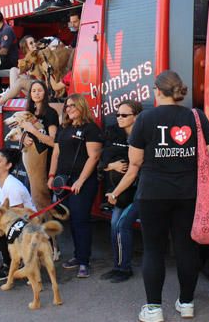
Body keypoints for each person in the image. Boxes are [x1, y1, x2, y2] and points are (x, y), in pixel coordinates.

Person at [111, 71, 209, 322]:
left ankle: (154, 309)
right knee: (186, 248)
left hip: (152, 194)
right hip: (188, 194)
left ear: (158, 91)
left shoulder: (146, 118)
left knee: (153, 250)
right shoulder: (197, 116)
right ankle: (187, 303)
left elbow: (135, 161)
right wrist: (208, 186)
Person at [46, 93, 103, 279]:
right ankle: (78, 257)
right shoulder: (64, 129)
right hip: (64, 181)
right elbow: (56, 154)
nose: (69, 109)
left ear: (81, 106)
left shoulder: (91, 129)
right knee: (71, 219)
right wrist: (52, 176)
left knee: (81, 220)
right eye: (67, 106)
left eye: (72, 105)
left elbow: (94, 157)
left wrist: (81, 180)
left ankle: (84, 261)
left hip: (82, 183)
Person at [100, 99, 143, 284]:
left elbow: (134, 171)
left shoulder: (142, 138)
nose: (119, 118)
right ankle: (118, 266)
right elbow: (102, 162)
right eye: (117, 114)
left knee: (122, 225)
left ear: (136, 117)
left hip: (138, 193)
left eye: (124, 115)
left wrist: (115, 193)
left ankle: (124, 269)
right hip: (120, 193)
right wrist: (112, 166)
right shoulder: (113, 135)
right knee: (114, 225)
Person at [0, 148, 36, 281]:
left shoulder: (13, 186)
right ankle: (13, 260)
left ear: (8, 165)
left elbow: (18, 218)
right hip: (13, 224)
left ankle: (10, 264)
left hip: (29, 226)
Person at [18, 80, 59, 210]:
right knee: (30, 198)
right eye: (33, 91)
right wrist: (23, 137)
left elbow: (53, 142)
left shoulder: (50, 113)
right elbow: (19, 133)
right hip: (29, 161)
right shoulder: (28, 111)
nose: (36, 93)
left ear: (45, 93)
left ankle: (47, 225)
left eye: (40, 90)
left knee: (42, 199)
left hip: (44, 161)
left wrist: (33, 131)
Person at [0, 35, 38, 113]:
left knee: (20, 82)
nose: (35, 44)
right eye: (31, 43)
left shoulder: (40, 55)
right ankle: (12, 93)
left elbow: (39, 77)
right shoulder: (26, 58)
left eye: (35, 41)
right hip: (32, 88)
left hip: (40, 88)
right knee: (13, 70)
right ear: (26, 47)